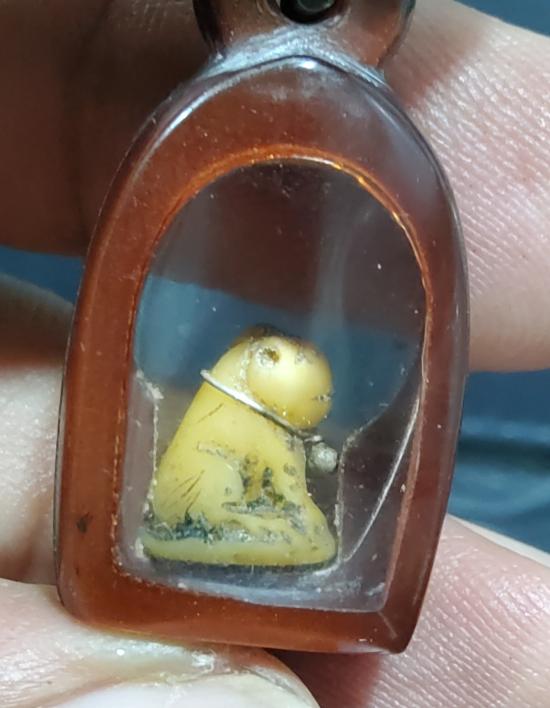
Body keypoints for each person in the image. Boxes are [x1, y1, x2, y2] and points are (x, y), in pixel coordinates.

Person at [1, 1, 549, 705]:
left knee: (305, 524)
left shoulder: (270, 420)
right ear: (259, 366)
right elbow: (273, 476)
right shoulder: (233, 413)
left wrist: (296, 499)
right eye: (309, 397)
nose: (315, 412)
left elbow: (285, 478)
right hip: (196, 509)